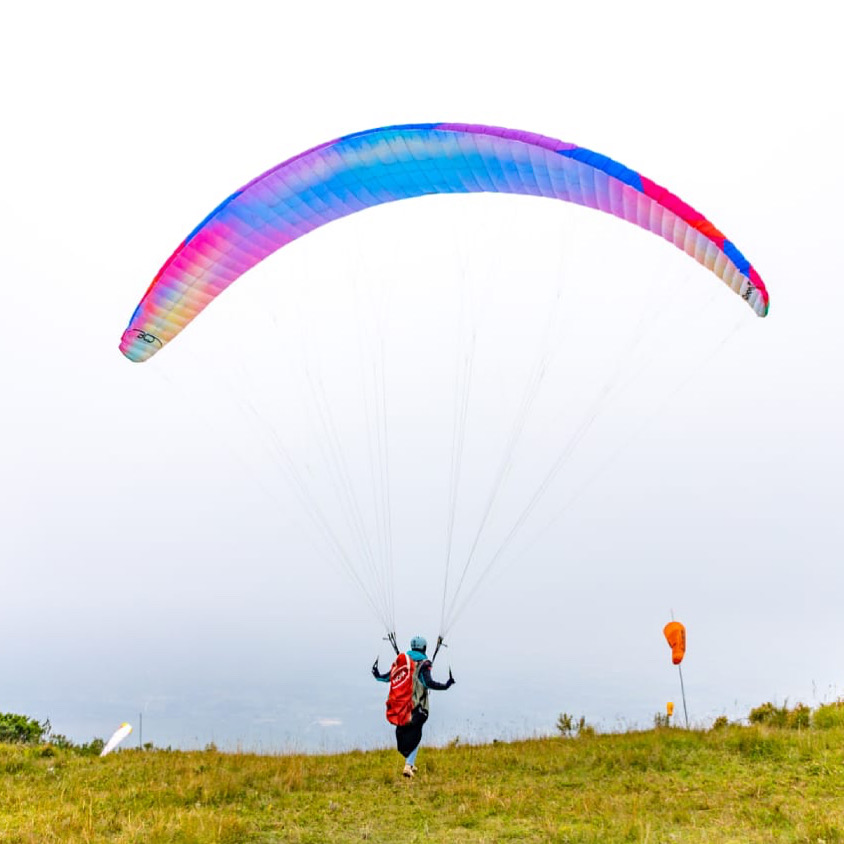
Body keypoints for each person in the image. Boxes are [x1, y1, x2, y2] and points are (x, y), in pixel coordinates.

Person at [372, 635, 455, 778]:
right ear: (424, 648)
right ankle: (408, 765)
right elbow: (428, 683)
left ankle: (410, 762)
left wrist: (376, 674)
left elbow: (386, 677)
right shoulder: (424, 664)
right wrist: (446, 685)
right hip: (417, 706)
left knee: (409, 733)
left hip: (401, 706)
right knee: (416, 733)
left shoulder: (403, 663)